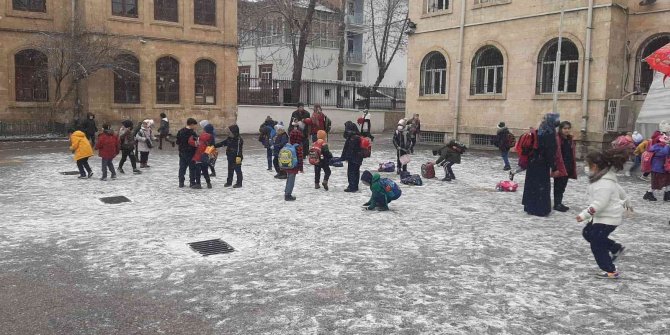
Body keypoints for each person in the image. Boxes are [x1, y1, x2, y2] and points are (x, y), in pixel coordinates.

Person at [576, 149, 631, 279]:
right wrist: (627, 203)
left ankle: (610, 270)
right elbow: (620, 191)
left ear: (594, 166)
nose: (586, 168)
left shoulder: (603, 183)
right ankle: (615, 248)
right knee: (588, 233)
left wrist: (584, 215)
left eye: (587, 165)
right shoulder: (604, 178)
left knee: (597, 244)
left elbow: (599, 204)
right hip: (603, 217)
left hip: (607, 219)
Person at [522, 113, 559, 217]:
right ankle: (540, 209)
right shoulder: (550, 133)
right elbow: (550, 152)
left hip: (533, 162)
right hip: (542, 164)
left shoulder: (540, 129)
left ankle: (530, 207)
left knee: (532, 186)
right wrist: (554, 167)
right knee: (541, 187)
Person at [551, 121, 577, 212]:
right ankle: (557, 204)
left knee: (563, 186)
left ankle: (559, 202)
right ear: (561, 129)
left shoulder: (569, 139)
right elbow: (555, 154)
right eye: (565, 128)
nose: (567, 130)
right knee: (558, 186)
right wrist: (555, 167)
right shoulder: (558, 139)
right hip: (560, 166)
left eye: (568, 128)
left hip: (568, 166)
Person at [643, 134, 670, 201]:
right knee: (656, 183)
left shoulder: (661, 146)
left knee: (667, 181)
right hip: (657, 169)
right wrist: (667, 145)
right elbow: (665, 153)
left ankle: (667, 195)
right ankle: (648, 194)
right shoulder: (657, 147)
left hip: (664, 168)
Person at [284, 122, 305, 201]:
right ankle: (288, 195)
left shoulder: (288, 145)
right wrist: (301, 168)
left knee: (289, 178)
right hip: (294, 166)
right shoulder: (298, 146)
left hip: (287, 164)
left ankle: (286, 191)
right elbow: (300, 158)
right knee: (291, 180)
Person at [189, 124, 214, 189]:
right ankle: (208, 183)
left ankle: (198, 184)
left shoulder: (201, 139)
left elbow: (191, 142)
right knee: (205, 171)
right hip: (205, 158)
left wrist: (191, 137)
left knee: (197, 172)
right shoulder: (210, 139)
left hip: (198, 158)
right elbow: (211, 147)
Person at [176, 118, 198, 188]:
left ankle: (181, 182)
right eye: (194, 125)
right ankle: (192, 182)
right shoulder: (192, 133)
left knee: (182, 168)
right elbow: (196, 143)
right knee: (192, 168)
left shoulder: (180, 131)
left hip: (182, 152)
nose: (195, 126)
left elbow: (177, 142)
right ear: (191, 124)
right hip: (191, 152)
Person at [342, 120, 363, 192]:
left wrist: (346, 157)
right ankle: (355, 186)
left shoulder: (352, 137)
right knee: (356, 172)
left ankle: (352, 187)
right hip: (359, 158)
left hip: (353, 158)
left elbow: (350, 149)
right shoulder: (358, 135)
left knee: (351, 172)